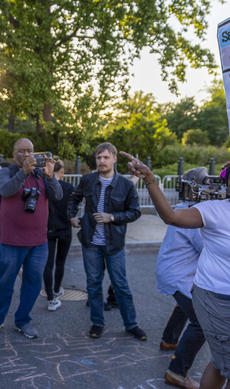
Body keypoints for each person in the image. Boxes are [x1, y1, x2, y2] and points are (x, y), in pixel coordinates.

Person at [123, 152, 230, 389]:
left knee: (221, 361)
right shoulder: (214, 210)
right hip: (222, 300)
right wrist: (150, 179)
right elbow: (171, 217)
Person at [0, 138, 61, 339]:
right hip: (10, 241)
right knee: (5, 282)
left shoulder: (41, 173)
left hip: (38, 241)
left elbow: (58, 195)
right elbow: (5, 190)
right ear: (14, 153)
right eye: (21, 151)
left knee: (33, 283)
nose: (26, 155)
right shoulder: (5, 172)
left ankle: (23, 320)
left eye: (30, 151)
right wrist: (23, 172)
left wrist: (50, 176)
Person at [68, 143, 144, 340]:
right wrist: (72, 216)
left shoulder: (126, 185)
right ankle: (97, 323)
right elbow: (74, 199)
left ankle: (131, 324)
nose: (102, 161)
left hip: (114, 244)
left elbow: (135, 212)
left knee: (121, 285)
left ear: (114, 159)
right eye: (99, 157)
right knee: (93, 284)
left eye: (106, 157)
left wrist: (112, 217)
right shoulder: (87, 180)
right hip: (91, 243)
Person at [155, 168, 209, 389]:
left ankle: (169, 340)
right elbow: (205, 247)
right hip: (179, 275)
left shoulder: (185, 208)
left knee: (185, 304)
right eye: (206, 182)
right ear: (196, 186)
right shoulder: (193, 214)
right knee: (203, 322)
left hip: (177, 272)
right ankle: (177, 372)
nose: (211, 186)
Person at [44, 160, 75, 311]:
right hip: (65, 228)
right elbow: (75, 205)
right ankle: (57, 289)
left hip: (48, 228)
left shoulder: (46, 185)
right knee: (60, 262)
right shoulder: (69, 187)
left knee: (48, 264)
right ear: (62, 170)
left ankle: (50, 296)